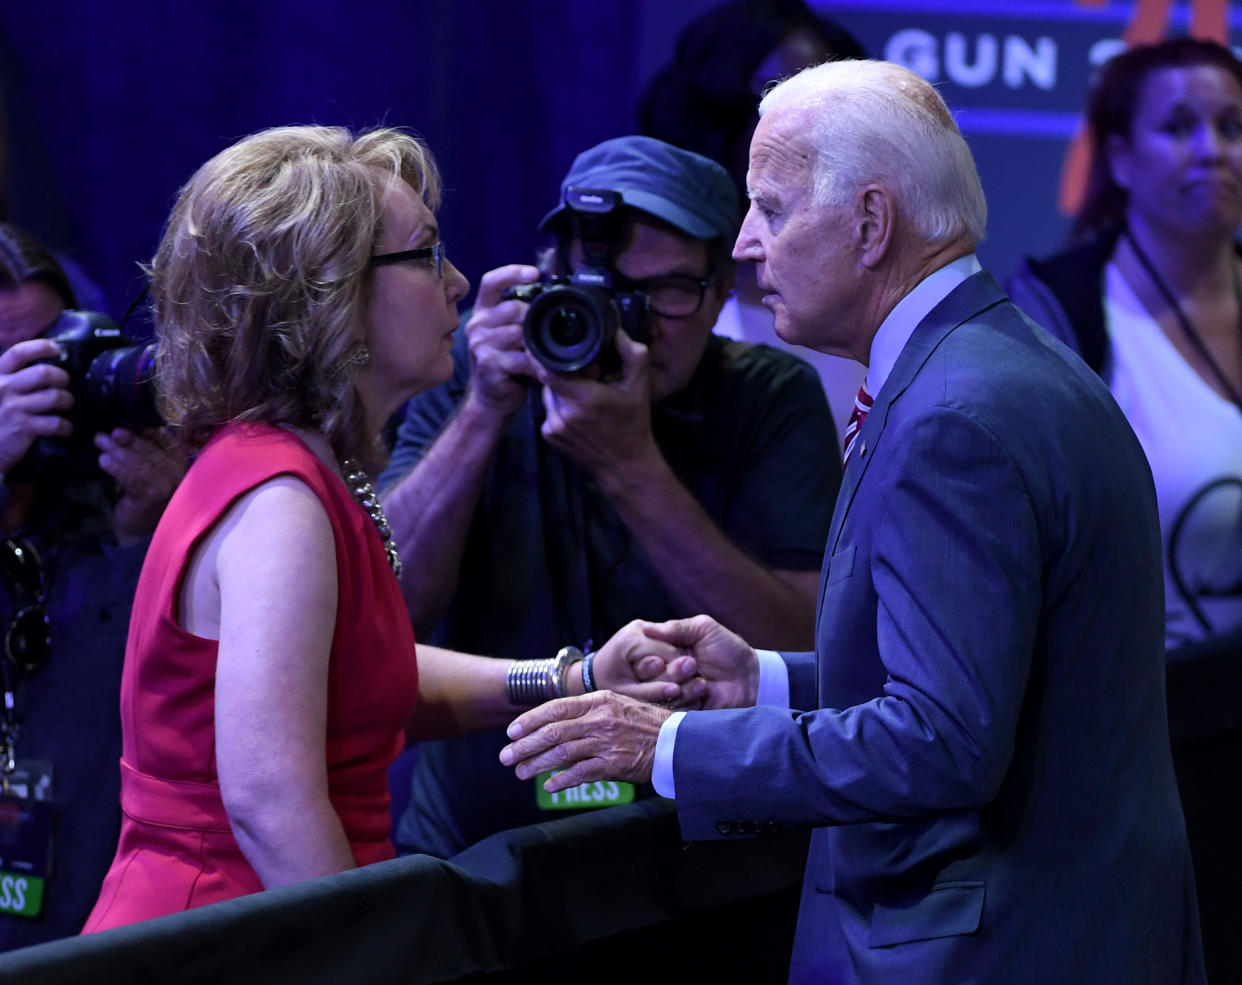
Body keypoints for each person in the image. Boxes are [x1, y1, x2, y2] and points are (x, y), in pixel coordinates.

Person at [501, 59, 1206, 983]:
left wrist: (665, 743)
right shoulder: (997, 363)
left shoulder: (956, 417)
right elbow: (990, 676)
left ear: (872, 223)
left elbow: (943, 743)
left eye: (773, 208)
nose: (747, 245)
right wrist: (763, 681)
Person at [81, 125, 700, 933]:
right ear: (327, 291)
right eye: (427, 255)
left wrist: (573, 679)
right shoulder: (279, 502)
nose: (460, 283)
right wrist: (374, 954)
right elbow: (270, 801)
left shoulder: (301, 466)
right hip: (227, 940)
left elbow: (360, 671)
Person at [380, 135, 839, 857]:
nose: (631, 323)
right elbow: (382, 614)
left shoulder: (769, 397)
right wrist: (482, 412)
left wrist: (631, 465)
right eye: (601, 290)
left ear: (722, 290)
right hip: (477, 846)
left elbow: (803, 647)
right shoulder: (478, 363)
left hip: (697, 852)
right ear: (550, 275)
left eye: (664, 292)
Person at [1008, 38, 1242, 650]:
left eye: (1232, 127)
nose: (1212, 153)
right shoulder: (1058, 316)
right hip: (1139, 714)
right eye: (1178, 127)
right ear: (1120, 158)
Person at [0, 223, 182, 948]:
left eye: (45, 350)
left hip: (94, 918)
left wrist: (152, 526)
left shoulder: (102, 511)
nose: (33, 382)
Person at [637, 0, 868, 438]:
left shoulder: (866, 309)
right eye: (777, 97)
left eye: (830, 109)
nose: (810, 128)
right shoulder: (654, 288)